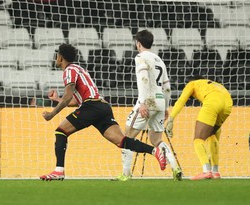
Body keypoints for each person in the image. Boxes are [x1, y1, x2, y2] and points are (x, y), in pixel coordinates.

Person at [39, 43, 166, 181]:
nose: (56, 58)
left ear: (60, 57)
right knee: (121, 141)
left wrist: (52, 114)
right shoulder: (79, 69)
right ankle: (155, 151)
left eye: (57, 55)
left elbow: (68, 97)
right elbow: (75, 101)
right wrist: (57, 99)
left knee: (61, 131)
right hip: (102, 107)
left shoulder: (69, 70)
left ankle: (59, 171)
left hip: (91, 107)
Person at [113, 30, 182, 181]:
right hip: (160, 100)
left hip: (147, 100)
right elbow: (167, 86)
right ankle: (175, 166)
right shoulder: (159, 60)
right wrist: (165, 107)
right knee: (156, 139)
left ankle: (126, 174)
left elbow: (144, 79)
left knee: (127, 136)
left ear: (138, 43)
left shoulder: (140, 57)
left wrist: (143, 103)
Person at [165, 76, 233, 180]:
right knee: (212, 135)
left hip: (213, 101)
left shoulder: (192, 84)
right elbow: (217, 131)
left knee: (198, 139)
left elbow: (181, 101)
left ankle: (206, 171)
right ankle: (215, 172)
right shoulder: (213, 85)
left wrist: (171, 119)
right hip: (228, 103)